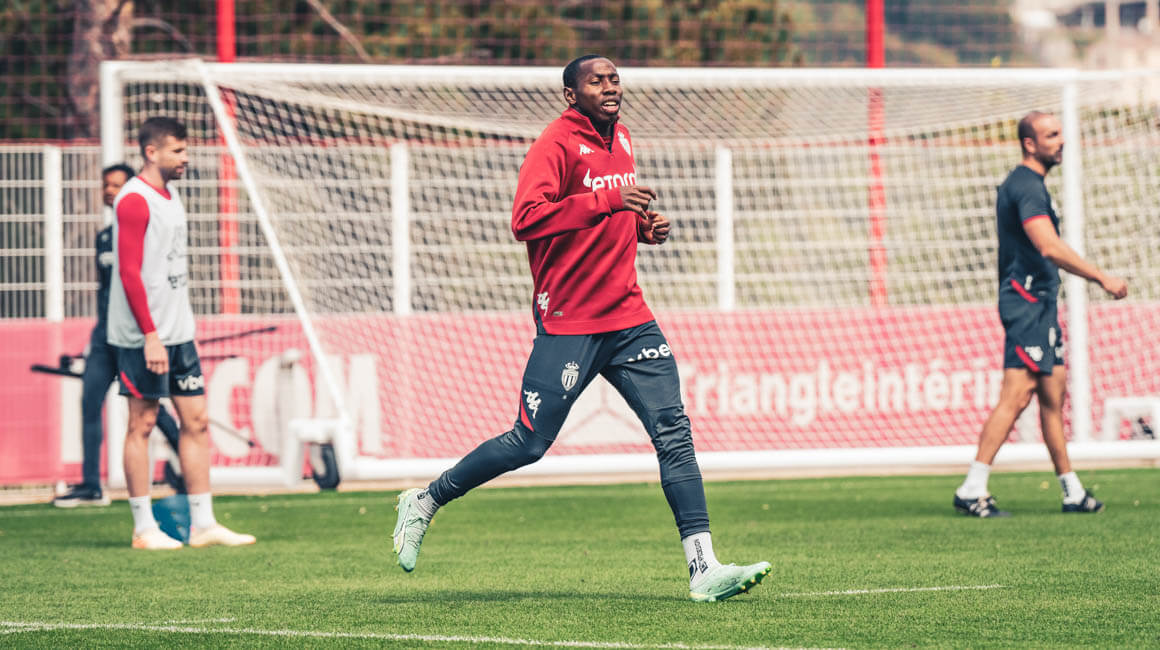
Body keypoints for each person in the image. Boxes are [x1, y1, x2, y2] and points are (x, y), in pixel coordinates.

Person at [392, 55, 770, 602]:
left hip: (630, 317)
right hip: (570, 321)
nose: (610, 87)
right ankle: (426, 501)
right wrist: (608, 200)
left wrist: (642, 228)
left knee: (674, 432)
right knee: (528, 443)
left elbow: (610, 217)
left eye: (614, 78)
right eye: (596, 81)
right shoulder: (555, 144)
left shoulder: (624, 138)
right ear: (572, 95)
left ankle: (703, 567)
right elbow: (525, 219)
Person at [953, 111, 1128, 518]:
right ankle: (972, 487)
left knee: (1053, 393)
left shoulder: (1031, 185)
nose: (1061, 140)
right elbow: (1048, 245)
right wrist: (1101, 277)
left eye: (1060, 133)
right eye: (1051, 135)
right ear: (1029, 144)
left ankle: (1072, 492)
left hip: (1042, 303)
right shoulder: (1026, 186)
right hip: (1026, 302)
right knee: (1017, 395)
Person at [108, 116, 256, 549]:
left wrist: (173, 329)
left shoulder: (170, 195)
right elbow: (129, 273)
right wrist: (150, 335)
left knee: (196, 421)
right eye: (177, 150)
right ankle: (143, 529)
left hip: (179, 333)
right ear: (151, 152)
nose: (185, 158)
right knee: (142, 423)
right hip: (144, 337)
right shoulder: (134, 200)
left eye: (185, 150)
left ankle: (203, 524)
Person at [53, 164, 182, 508]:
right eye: (106, 185)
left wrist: (152, 332)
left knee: (149, 409)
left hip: (135, 336)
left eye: (117, 185)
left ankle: (190, 467)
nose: (110, 191)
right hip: (104, 337)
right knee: (89, 402)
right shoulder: (104, 237)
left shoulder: (150, 232)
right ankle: (91, 486)